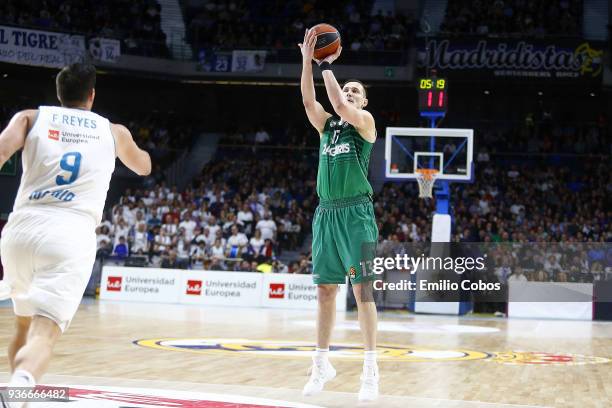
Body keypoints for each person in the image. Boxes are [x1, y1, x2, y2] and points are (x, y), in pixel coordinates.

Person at [0, 63, 151, 408]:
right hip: (69, 233)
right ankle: (21, 387)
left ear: (58, 95)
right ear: (92, 95)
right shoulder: (113, 131)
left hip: (20, 230)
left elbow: (2, 151)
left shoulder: (30, 117)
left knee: (22, 325)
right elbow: (143, 166)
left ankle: (16, 395)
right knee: (44, 332)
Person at [298, 28, 379, 402]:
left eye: (355, 91)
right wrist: (306, 62)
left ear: (363, 101)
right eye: (345, 90)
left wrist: (327, 64)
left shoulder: (364, 124)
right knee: (325, 292)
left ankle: (370, 370)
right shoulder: (327, 127)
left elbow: (341, 106)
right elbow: (309, 100)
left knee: (363, 292)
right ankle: (320, 365)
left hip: (356, 214)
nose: (348, 94)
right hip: (326, 213)